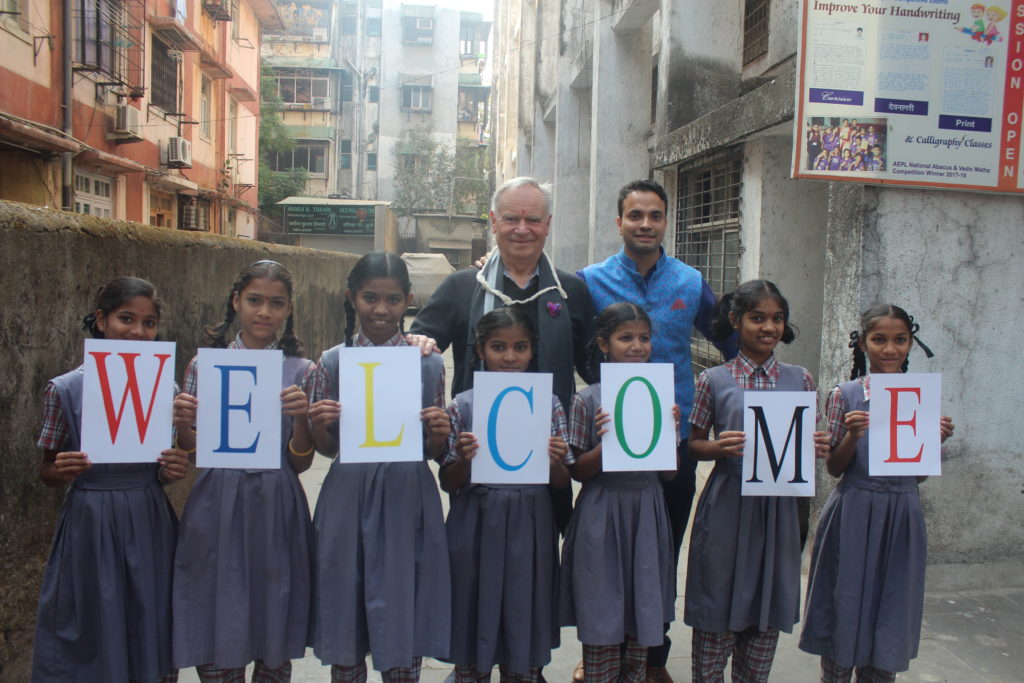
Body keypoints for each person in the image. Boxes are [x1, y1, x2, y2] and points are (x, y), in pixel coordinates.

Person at [576, 179, 736, 683]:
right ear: (618, 222)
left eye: (655, 215)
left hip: (675, 437)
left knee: (660, 551)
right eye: (635, 215)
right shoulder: (588, 280)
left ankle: (651, 658)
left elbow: (729, 341)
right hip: (611, 437)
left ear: (667, 221)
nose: (645, 224)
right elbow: (566, 339)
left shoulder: (690, 282)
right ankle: (600, 647)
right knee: (607, 552)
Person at [411, 176, 595, 532]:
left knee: (541, 557)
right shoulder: (463, 287)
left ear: (548, 225)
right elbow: (421, 343)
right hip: (478, 453)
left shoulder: (571, 291)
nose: (522, 229)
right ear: (493, 222)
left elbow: (598, 370)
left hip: (547, 454)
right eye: (511, 219)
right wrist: (416, 342)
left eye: (533, 220)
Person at [304, 252, 452, 683]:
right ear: (352, 298)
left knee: (403, 602)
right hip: (348, 494)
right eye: (370, 298)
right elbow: (328, 449)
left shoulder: (428, 363)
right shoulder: (331, 362)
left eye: (392, 299)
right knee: (345, 600)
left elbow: (432, 448)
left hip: (407, 495)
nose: (381, 310)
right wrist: (318, 424)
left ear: (408, 300)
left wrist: (439, 432)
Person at [32, 276, 188, 682]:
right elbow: (47, 470)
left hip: (148, 515)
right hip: (90, 519)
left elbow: (162, 466)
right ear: (101, 321)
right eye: (126, 318)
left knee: (148, 616)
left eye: (149, 323)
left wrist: (172, 468)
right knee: (89, 621)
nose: (137, 331)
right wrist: (62, 469)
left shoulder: (163, 387)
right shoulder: (66, 389)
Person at [171, 260, 314, 682]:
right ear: (236, 302)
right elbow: (194, 451)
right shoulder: (204, 365)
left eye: (276, 303)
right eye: (254, 301)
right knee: (217, 597)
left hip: (277, 499)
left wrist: (302, 417)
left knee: (274, 600)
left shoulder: (300, 371)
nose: (264, 312)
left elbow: (301, 462)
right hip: (217, 498)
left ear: (289, 310)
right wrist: (182, 422)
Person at [683, 280, 829, 683]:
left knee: (766, 604)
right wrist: (717, 447)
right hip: (729, 503)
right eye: (757, 317)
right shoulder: (713, 380)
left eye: (777, 318)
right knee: (717, 601)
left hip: (778, 509)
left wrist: (817, 444)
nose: (768, 327)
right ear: (735, 320)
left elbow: (806, 440)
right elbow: (694, 444)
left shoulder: (800, 380)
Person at [800, 305, 954, 683]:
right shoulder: (846, 395)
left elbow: (916, 476)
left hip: (901, 515)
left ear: (910, 344)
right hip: (854, 509)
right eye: (879, 340)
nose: (890, 349)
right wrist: (853, 435)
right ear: (864, 345)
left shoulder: (918, 398)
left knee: (892, 605)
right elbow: (835, 467)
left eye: (900, 340)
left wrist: (935, 442)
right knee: (845, 601)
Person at [441, 307, 571, 683]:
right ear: (481, 350)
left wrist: (555, 459)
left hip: (531, 520)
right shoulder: (462, 406)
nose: (510, 357)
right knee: (471, 598)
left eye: (520, 347)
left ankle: (522, 671)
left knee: (524, 601)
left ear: (533, 351)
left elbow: (561, 482)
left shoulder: (549, 404)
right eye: (499, 347)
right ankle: (471, 670)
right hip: (475, 521)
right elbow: (449, 482)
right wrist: (465, 459)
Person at [559, 303, 678, 683]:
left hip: (647, 509)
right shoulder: (588, 400)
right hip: (602, 512)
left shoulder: (661, 396)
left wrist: (668, 433)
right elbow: (578, 471)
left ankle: (636, 672)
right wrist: (606, 442)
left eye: (644, 338)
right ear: (603, 344)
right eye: (625, 337)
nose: (637, 346)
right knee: (601, 606)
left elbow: (670, 473)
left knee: (642, 605)